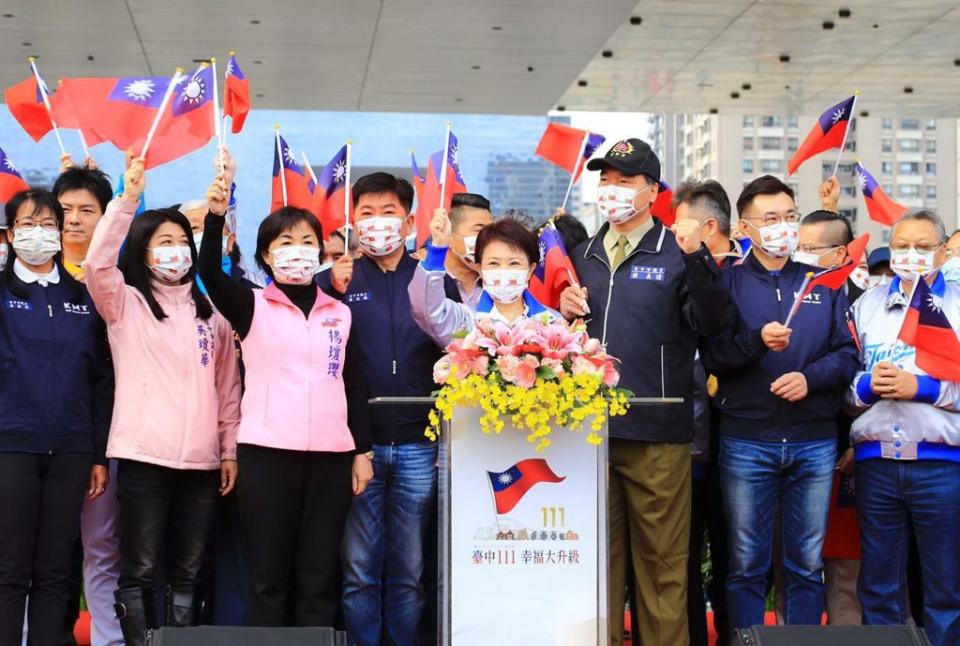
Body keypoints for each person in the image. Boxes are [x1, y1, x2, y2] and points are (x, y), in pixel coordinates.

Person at [558, 139, 732, 646]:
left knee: (663, 570)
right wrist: (563, 306)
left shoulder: (676, 252)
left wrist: (697, 259)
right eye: (605, 180)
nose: (612, 191)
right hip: (589, 434)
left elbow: (713, 323)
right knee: (599, 570)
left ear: (652, 191)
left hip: (657, 432)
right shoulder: (582, 255)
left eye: (625, 181)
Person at [197, 171, 372, 628]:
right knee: (267, 579)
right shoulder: (251, 305)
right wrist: (215, 218)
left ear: (320, 250)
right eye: (285, 242)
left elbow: (352, 383)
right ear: (266, 256)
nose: (298, 249)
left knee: (317, 579)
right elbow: (211, 273)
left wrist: (362, 451)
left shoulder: (341, 312)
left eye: (307, 240)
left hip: (331, 459)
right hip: (268, 456)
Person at [84, 159, 241, 646]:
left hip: (201, 461)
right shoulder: (124, 304)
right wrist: (127, 200)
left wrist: (229, 449)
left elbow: (228, 389)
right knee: (140, 566)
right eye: (165, 242)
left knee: (188, 571)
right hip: (143, 457)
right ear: (144, 250)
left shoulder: (211, 314)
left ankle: (180, 641)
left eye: (182, 242)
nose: (177, 251)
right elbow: (96, 264)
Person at [700, 175, 859, 634]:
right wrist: (756, 342)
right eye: (771, 218)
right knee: (747, 565)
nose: (784, 227)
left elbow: (847, 355)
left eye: (790, 216)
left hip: (813, 442)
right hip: (747, 440)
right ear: (746, 228)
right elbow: (714, 356)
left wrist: (809, 379)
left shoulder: (824, 283)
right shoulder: (726, 283)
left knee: (807, 565)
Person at [316, 172, 444, 646]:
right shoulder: (336, 282)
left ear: (409, 220)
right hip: (358, 448)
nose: (376, 223)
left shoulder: (432, 281)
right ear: (352, 221)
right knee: (359, 571)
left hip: (418, 445)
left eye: (387, 212)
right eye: (365, 214)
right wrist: (330, 285)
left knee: (409, 571)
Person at [0, 189, 112, 646]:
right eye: (29, 225)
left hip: (71, 449)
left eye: (49, 225)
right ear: (10, 233)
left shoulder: (83, 298)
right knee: (10, 570)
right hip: (11, 448)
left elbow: (100, 380)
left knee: (54, 569)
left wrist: (98, 452)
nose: (41, 234)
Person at [846, 209, 960, 646]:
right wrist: (867, 387)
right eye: (901, 247)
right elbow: (844, 384)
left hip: (942, 465)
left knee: (946, 589)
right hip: (877, 464)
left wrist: (923, 387)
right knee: (878, 589)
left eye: (923, 247)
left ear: (944, 251)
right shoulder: (867, 304)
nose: (910, 255)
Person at [52, 159, 123, 646]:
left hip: (104, 434)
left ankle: (110, 640)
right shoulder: (21, 277)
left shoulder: (118, 279)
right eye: (64, 209)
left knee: (102, 549)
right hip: (38, 437)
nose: (74, 218)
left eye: (86, 209)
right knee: (42, 553)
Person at [671, 178, 738, 646]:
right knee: (685, 560)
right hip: (690, 445)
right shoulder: (676, 271)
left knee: (739, 561)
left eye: (679, 223)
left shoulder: (746, 274)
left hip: (742, 441)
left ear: (707, 226)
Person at [795, 208, 865, 626]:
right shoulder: (788, 296)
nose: (799, 255)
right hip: (795, 446)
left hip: (847, 456)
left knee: (846, 573)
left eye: (809, 249)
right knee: (796, 566)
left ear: (840, 254)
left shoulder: (865, 304)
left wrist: (858, 442)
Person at [411, 214, 558, 346]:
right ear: (480, 269)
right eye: (494, 263)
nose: (503, 272)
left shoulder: (554, 323)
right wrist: (437, 249)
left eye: (514, 263)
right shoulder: (465, 320)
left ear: (530, 270)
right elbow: (428, 310)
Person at [438, 192, 493, 306]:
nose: (489, 238)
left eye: (491, 231)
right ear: (449, 233)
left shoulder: (497, 282)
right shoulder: (427, 279)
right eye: (479, 231)